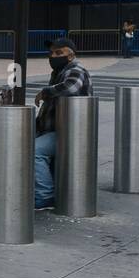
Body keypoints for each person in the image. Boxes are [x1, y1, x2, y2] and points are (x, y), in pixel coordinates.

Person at [33, 37, 93, 209]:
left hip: (69, 132)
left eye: (59, 53)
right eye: (51, 53)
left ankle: (45, 196)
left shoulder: (76, 69)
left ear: (71, 55)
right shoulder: (59, 72)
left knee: (34, 151)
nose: (53, 56)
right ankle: (39, 189)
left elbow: (70, 88)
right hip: (57, 130)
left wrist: (45, 92)